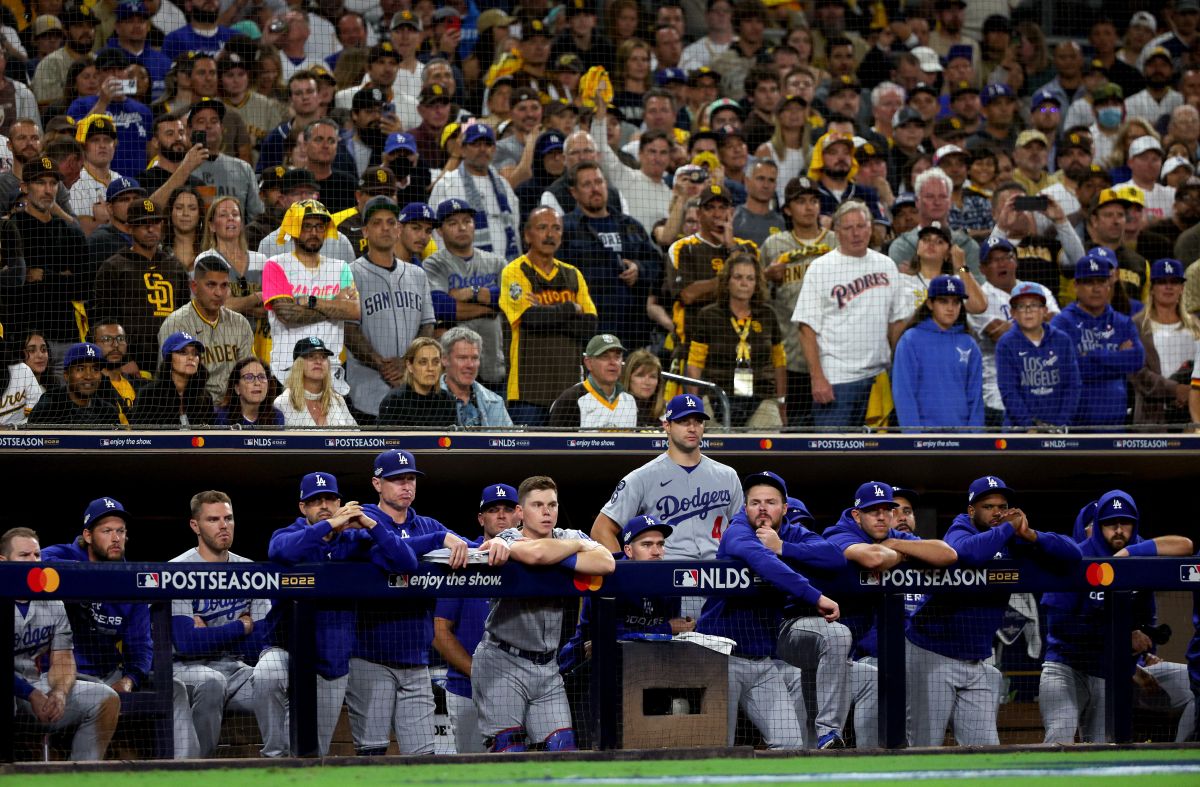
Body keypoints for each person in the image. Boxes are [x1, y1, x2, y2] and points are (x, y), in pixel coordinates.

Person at [905, 475, 1082, 747]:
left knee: (985, 748)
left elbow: (1074, 555)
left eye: (1002, 506)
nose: (997, 512)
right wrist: (1008, 529)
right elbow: (968, 553)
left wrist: (1030, 534)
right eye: (988, 506)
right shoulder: (961, 527)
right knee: (925, 745)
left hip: (976, 659)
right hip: (932, 652)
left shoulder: (1013, 537)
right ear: (972, 510)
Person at [351, 449, 503, 755]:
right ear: (377, 483)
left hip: (416, 660)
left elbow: (474, 549)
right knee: (372, 755)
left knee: (423, 758)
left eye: (410, 479)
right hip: (370, 656)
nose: (406, 486)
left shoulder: (428, 525)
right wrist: (438, 541)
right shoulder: (363, 518)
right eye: (396, 480)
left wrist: (499, 540)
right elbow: (393, 554)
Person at [259, 471, 418, 757]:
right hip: (287, 650)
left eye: (330, 499)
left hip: (332, 661)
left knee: (313, 754)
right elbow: (280, 552)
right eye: (315, 500)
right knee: (266, 674)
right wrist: (331, 524)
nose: (323, 505)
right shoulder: (289, 534)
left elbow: (406, 561)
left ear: (340, 502)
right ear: (302, 508)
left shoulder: (354, 541)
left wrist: (371, 524)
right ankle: (272, 755)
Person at [695, 470, 840, 749]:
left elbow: (834, 557)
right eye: (755, 502)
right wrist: (816, 597)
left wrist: (785, 547)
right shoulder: (737, 531)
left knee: (790, 746)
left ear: (785, 508)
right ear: (745, 507)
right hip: (719, 657)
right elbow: (763, 560)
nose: (762, 508)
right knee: (717, 748)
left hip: (762, 661)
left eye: (771, 502)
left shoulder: (790, 533)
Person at [472, 475, 615, 752]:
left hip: (548, 667)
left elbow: (606, 561)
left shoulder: (565, 535)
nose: (546, 511)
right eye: (537, 505)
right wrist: (577, 548)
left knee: (563, 749)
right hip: (503, 660)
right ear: (520, 512)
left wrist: (561, 551)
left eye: (552, 504)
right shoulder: (508, 538)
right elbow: (536, 555)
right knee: (509, 752)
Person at [1041, 489, 1196, 745]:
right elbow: (1061, 627)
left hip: (1108, 671)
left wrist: (1143, 650)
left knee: (1103, 746)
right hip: (1068, 668)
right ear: (1099, 525)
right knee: (1060, 736)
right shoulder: (1077, 557)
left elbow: (1185, 546)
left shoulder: (1138, 555)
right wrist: (1123, 637)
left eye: (1125, 523)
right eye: (1111, 524)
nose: (1119, 530)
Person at [821, 482, 958, 750]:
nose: (883, 517)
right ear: (856, 515)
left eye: (887, 510)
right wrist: (901, 553)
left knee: (874, 716)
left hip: (853, 659)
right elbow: (874, 559)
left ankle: (874, 766)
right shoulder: (838, 532)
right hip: (823, 656)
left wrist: (894, 543)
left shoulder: (891, 536)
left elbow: (947, 554)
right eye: (873, 511)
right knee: (807, 737)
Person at [591, 393, 743, 614]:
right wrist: (630, 575)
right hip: (669, 585)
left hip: (718, 583)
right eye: (683, 421)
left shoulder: (728, 476)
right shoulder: (642, 477)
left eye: (697, 421)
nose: (692, 428)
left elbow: (743, 531)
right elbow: (601, 529)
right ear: (667, 426)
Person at [559, 513, 694, 747]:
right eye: (647, 545)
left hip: (639, 669)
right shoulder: (607, 573)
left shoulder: (669, 579)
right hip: (584, 671)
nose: (656, 551)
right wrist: (665, 628)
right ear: (629, 550)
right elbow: (603, 636)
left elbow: (668, 636)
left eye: (660, 544)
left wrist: (670, 630)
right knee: (590, 745)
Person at [41, 498, 155, 739]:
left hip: (109, 672)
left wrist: (129, 680)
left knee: (174, 690)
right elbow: (31, 562)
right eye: (107, 531)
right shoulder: (62, 554)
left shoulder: (131, 580)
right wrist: (85, 576)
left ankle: (180, 768)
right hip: (70, 672)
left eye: (121, 531)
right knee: (102, 698)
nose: (116, 538)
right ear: (88, 535)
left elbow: (141, 644)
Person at [169, 490, 270, 759]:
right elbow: (187, 644)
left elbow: (260, 642)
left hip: (236, 668)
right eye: (213, 519)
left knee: (278, 679)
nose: (223, 525)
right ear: (195, 526)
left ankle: (282, 762)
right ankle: (199, 771)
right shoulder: (177, 570)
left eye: (228, 518)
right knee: (211, 681)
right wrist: (240, 627)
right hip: (186, 668)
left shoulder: (250, 570)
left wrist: (211, 633)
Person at [793, 201, 911, 428]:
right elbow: (806, 328)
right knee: (833, 457)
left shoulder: (886, 265)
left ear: (871, 228)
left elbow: (898, 323)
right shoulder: (820, 268)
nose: (856, 233)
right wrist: (817, 378)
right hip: (837, 381)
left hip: (879, 378)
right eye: (848, 228)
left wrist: (897, 372)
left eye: (861, 226)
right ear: (836, 232)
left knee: (877, 457)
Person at [6, 526, 120, 762]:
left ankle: (83, 776)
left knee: (105, 698)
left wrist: (59, 692)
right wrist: (32, 695)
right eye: (24, 556)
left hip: (36, 685)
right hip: (16, 693)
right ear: (2, 561)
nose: (33, 561)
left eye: (36, 555)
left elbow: (63, 658)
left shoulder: (52, 601)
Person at [433, 483, 522, 753]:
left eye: (507, 509)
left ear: (519, 514)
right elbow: (439, 632)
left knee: (514, 771)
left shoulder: (534, 559)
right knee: (472, 770)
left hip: (519, 688)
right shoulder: (463, 560)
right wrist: (479, 674)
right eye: (493, 510)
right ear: (481, 519)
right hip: (466, 689)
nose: (501, 516)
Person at [498, 206, 599, 427]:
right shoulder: (514, 271)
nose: (549, 234)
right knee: (526, 460)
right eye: (542, 227)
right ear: (527, 235)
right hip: (527, 391)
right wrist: (570, 309)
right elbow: (530, 319)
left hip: (569, 392)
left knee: (565, 460)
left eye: (556, 228)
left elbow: (589, 326)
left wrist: (546, 316)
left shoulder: (573, 274)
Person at [557, 161, 663, 351]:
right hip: (586, 333)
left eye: (598, 182)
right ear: (574, 192)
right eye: (587, 184)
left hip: (632, 332)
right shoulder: (564, 229)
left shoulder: (630, 226)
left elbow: (657, 264)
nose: (595, 189)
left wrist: (639, 268)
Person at [345, 198, 435, 421]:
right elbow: (349, 330)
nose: (385, 228)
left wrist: (407, 363)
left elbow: (427, 325)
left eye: (391, 222)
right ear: (365, 231)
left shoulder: (418, 275)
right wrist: (381, 364)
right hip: (367, 392)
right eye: (377, 223)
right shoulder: (350, 273)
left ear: (398, 229)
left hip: (413, 392)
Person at [261, 199, 360, 393]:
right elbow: (287, 315)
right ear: (293, 227)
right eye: (306, 226)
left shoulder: (341, 267)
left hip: (330, 374)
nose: (314, 233)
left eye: (319, 227)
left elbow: (355, 311)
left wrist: (311, 302)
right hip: (287, 373)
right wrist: (335, 307)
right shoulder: (275, 265)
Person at [685, 252, 785, 429]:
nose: (744, 283)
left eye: (750, 278)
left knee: (763, 446)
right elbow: (694, 363)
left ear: (757, 284)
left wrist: (781, 402)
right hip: (717, 396)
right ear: (727, 281)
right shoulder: (708, 315)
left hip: (762, 398)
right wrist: (693, 408)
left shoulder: (768, 315)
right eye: (738, 277)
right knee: (718, 449)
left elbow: (779, 363)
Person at [93, 198, 191, 372]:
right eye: (143, 224)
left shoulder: (175, 266)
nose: (150, 229)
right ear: (130, 228)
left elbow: (186, 314)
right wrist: (123, 360)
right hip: (132, 364)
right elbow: (103, 320)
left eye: (155, 222)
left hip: (172, 359)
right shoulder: (113, 267)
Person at [1050, 252, 1145, 428]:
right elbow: (1067, 369)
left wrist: (1093, 355)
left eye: (1101, 281)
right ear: (1076, 286)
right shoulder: (1062, 323)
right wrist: (1116, 358)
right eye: (1089, 282)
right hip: (1075, 423)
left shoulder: (1122, 322)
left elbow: (1137, 359)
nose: (1096, 288)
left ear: (1109, 285)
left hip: (1116, 422)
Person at [423, 198, 507, 391]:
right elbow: (442, 307)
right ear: (439, 231)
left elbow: (508, 300)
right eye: (453, 223)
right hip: (452, 373)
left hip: (494, 366)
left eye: (467, 221)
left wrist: (471, 292)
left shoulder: (496, 262)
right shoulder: (433, 264)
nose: (462, 227)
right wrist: (489, 308)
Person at [10, 156, 88, 362]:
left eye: (53, 183)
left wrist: (44, 276)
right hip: (18, 338)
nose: (48, 190)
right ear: (24, 187)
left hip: (64, 337)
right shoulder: (10, 230)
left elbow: (85, 286)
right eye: (40, 182)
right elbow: (12, 285)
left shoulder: (72, 233)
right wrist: (63, 277)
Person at [891, 275, 984, 431]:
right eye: (943, 301)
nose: (950, 308)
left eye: (956, 302)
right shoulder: (910, 340)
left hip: (963, 439)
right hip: (924, 439)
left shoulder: (969, 343)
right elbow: (904, 393)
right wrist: (914, 437)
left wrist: (975, 436)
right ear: (930, 304)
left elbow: (975, 397)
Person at [158, 252, 254, 402]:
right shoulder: (176, 324)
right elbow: (166, 381)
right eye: (211, 285)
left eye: (224, 286)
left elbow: (247, 372)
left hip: (232, 407)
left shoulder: (240, 323)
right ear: (194, 287)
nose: (219, 293)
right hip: (194, 407)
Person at [995, 282, 1082, 430]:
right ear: (1013, 313)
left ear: (1045, 310)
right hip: (1019, 430)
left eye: (1034, 305)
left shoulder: (1062, 340)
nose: (1028, 311)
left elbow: (1073, 385)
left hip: (1058, 428)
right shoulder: (1005, 344)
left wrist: (1061, 423)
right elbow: (1009, 391)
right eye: (1021, 306)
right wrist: (1029, 426)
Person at [429, 124, 520, 260]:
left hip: (505, 268)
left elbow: (515, 228)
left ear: (494, 149)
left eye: (488, 144)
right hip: (461, 270)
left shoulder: (504, 185)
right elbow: (437, 233)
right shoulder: (446, 185)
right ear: (463, 149)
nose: (483, 149)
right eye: (476, 144)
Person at [1132, 259, 1200, 426]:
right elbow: (1136, 372)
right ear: (1152, 289)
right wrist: (1175, 390)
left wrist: (1191, 393)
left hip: (1191, 416)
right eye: (1162, 282)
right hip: (1153, 417)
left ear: (1182, 288)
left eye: (1174, 282)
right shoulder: (1137, 325)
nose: (1168, 287)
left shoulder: (1196, 326)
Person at [548, 333, 638, 429]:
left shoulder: (629, 401)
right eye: (605, 357)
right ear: (588, 363)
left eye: (617, 356)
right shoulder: (570, 400)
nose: (613, 362)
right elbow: (557, 443)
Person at [129, 331, 215, 427]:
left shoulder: (205, 397)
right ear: (169, 359)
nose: (191, 357)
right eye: (183, 352)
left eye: (195, 353)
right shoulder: (149, 395)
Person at [436, 326, 512, 428]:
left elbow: (508, 441)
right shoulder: (429, 400)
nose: (470, 365)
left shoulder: (495, 402)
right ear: (445, 359)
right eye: (462, 358)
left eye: (475, 358)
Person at [27, 343, 120, 426]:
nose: (88, 376)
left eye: (95, 369)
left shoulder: (108, 412)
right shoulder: (49, 408)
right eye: (80, 369)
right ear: (66, 375)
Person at [274, 336, 356, 428]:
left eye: (323, 357)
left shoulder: (338, 400)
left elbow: (356, 438)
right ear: (298, 364)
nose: (318, 361)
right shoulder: (282, 402)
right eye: (311, 356)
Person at [376, 336, 457, 428]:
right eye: (423, 362)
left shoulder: (448, 400)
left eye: (435, 362)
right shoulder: (394, 402)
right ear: (409, 366)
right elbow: (388, 441)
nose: (430, 368)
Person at [68, 114, 122, 237]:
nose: (102, 145)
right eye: (95, 140)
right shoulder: (75, 183)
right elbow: (79, 232)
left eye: (107, 140)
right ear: (83, 146)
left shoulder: (120, 180)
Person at [215, 356, 283, 428]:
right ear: (237, 388)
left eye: (262, 377)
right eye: (249, 377)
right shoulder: (220, 416)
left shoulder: (276, 417)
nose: (257, 383)